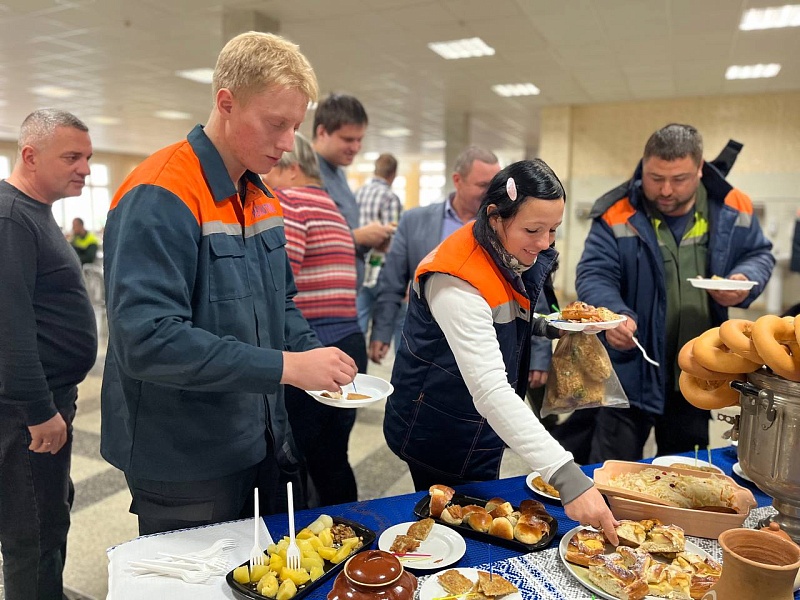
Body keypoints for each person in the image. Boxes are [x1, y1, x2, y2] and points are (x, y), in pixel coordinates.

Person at [101, 32, 357, 536]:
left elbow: (280, 301)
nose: (287, 143)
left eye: (295, 127)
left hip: (259, 437)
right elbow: (147, 341)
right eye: (276, 124)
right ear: (226, 103)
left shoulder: (260, 196)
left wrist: (314, 354)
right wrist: (287, 366)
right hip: (185, 455)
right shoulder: (162, 192)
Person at [383, 159, 620, 541]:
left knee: (478, 518)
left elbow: (501, 312)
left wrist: (547, 325)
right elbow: (490, 390)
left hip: (479, 424)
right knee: (452, 529)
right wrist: (568, 479)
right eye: (533, 230)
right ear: (495, 217)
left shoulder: (503, 250)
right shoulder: (456, 278)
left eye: (553, 230)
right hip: (441, 428)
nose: (545, 243)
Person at [574, 123, 775, 462]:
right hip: (629, 373)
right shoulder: (617, 211)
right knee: (612, 471)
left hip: (698, 371)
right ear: (643, 166)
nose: (666, 190)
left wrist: (745, 279)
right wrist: (613, 313)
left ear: (699, 170)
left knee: (686, 474)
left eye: (679, 179)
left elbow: (759, 254)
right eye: (655, 178)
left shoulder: (731, 207)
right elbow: (594, 273)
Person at [0, 109, 97, 600]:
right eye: (72, 157)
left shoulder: (33, 212)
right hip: (27, 412)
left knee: (48, 519)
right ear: (31, 156)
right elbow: (8, 325)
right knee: (33, 534)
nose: (85, 169)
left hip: (45, 402)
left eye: (88, 158)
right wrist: (39, 411)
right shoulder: (11, 217)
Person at [262, 133, 365, 506]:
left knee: (303, 457)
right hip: (347, 340)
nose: (265, 180)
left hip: (311, 344)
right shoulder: (331, 205)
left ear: (292, 169)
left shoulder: (288, 202)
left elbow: (277, 281)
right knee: (332, 455)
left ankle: (320, 531)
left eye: (272, 170)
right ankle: (349, 527)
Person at [369, 145, 501, 364]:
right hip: (422, 340)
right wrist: (381, 331)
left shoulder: (502, 227)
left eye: (494, 185)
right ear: (457, 180)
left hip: (481, 341)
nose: (490, 193)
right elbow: (392, 282)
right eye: (482, 185)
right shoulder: (414, 221)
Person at [312, 94, 395, 290]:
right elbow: (306, 241)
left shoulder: (338, 173)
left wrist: (370, 239)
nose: (356, 147)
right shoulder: (305, 173)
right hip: (321, 294)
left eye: (360, 139)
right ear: (322, 132)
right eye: (348, 139)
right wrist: (358, 237)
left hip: (345, 292)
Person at [355, 153, 404, 344]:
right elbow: (393, 239)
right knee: (398, 318)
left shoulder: (358, 193)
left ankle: (356, 360)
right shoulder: (390, 197)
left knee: (360, 318)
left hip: (360, 265)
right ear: (393, 174)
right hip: (383, 268)